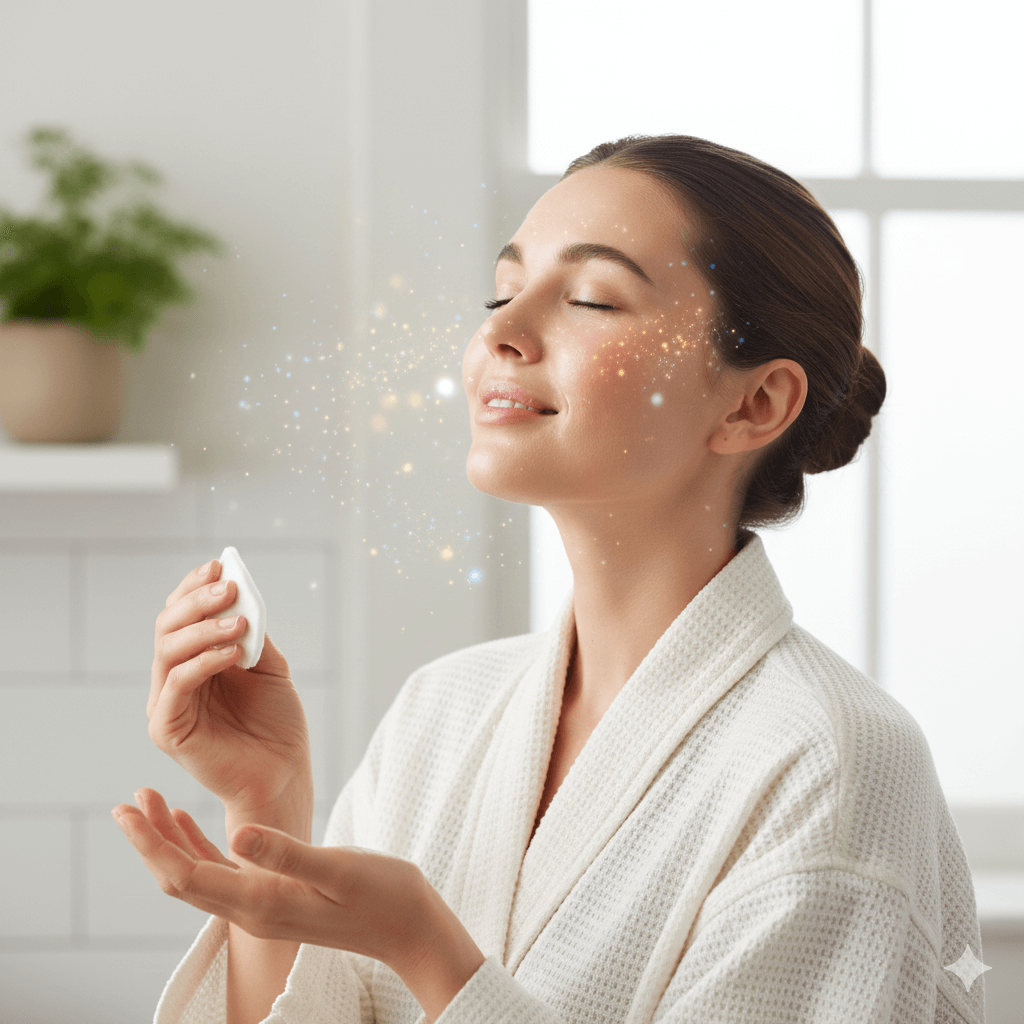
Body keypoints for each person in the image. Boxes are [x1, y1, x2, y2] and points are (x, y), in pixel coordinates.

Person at [113, 135, 986, 1024]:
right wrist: (269, 811)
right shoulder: (443, 710)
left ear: (752, 403)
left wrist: (431, 952)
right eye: (502, 289)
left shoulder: (834, 761)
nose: (498, 330)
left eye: (590, 298)